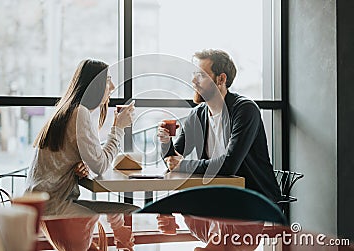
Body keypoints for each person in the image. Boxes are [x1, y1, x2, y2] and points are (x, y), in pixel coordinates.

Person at [25, 59, 137, 250]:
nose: (112, 86)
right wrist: (118, 128)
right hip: (55, 208)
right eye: (107, 80)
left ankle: (120, 235)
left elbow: (87, 158)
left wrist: (80, 163)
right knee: (131, 210)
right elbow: (101, 166)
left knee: (122, 211)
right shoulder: (80, 114)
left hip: (44, 203)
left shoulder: (67, 109)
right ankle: (123, 238)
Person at [158, 49, 281, 203]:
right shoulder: (197, 115)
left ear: (221, 79)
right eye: (193, 74)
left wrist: (183, 164)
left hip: (253, 199)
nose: (194, 81)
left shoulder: (245, 110)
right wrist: (165, 143)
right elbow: (173, 158)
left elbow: (229, 165)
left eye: (201, 75)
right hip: (217, 197)